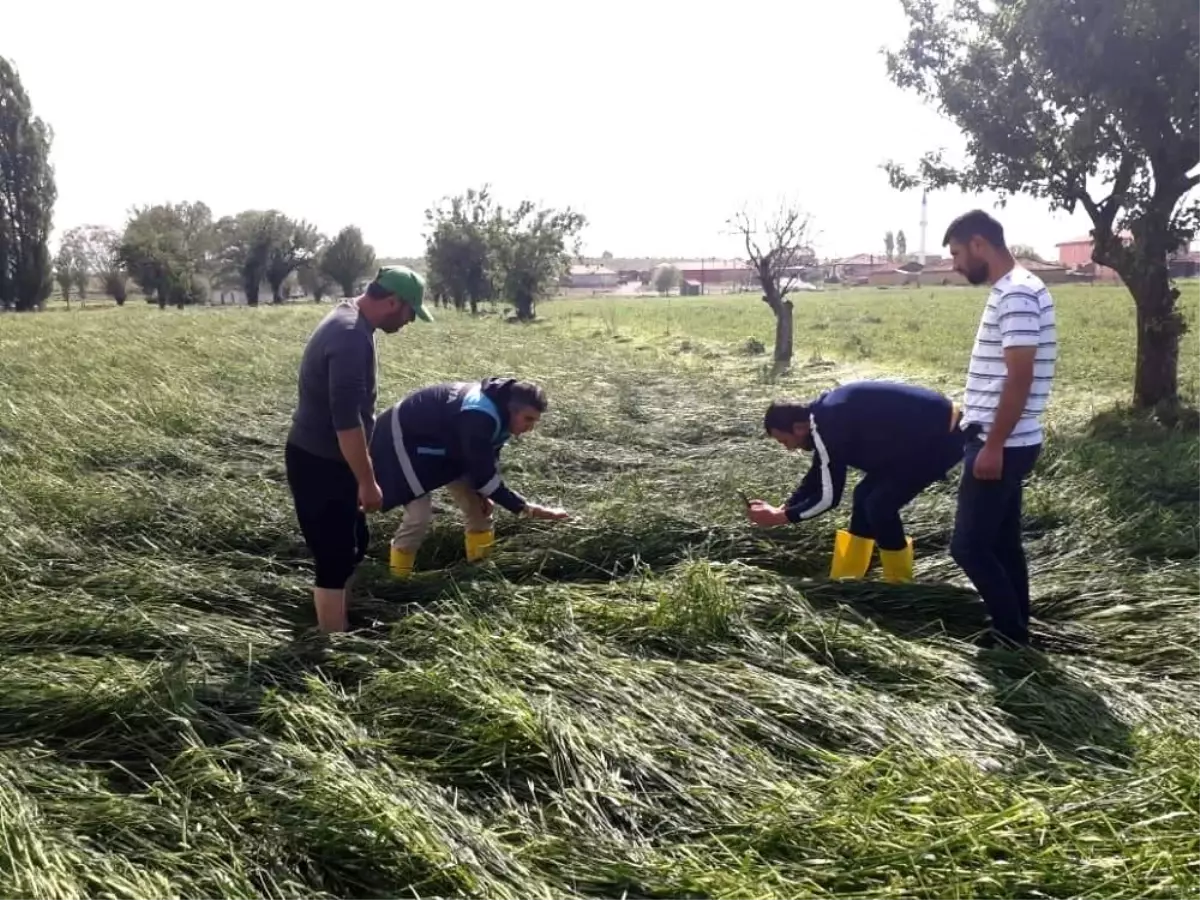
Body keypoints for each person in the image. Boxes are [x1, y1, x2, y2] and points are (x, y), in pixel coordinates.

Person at [284, 265, 432, 633]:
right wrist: (366, 482)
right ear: (393, 301)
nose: (410, 321)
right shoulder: (350, 336)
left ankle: (341, 620)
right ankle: (332, 645)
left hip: (334, 460)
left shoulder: (352, 319)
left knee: (354, 542)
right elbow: (346, 422)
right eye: (410, 312)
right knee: (334, 557)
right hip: (320, 462)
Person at [942, 209, 1057, 648]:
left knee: (968, 547)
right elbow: (1000, 373)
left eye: (956, 253)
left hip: (1002, 443)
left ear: (978, 244)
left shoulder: (1017, 294)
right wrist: (968, 406)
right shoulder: (1012, 290)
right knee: (1003, 544)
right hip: (1005, 436)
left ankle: (1009, 635)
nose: (954, 265)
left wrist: (992, 445)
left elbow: (1020, 376)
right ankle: (1015, 626)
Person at [746, 380, 966, 583]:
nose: (789, 448)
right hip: (916, 439)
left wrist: (782, 517)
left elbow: (829, 498)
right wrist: (787, 506)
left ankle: (900, 585)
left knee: (879, 505)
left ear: (798, 428)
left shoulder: (830, 424)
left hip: (943, 438)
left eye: (785, 441)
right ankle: (847, 578)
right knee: (863, 496)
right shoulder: (823, 418)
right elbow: (819, 471)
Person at [369, 376, 569, 577]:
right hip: (400, 440)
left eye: (534, 421)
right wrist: (526, 508)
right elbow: (482, 473)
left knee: (480, 511)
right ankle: (398, 581)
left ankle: (479, 572)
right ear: (512, 409)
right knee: (419, 516)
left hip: (445, 444)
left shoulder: (502, 414)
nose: (530, 428)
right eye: (528, 419)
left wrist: (484, 493)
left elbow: (484, 460)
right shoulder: (479, 416)